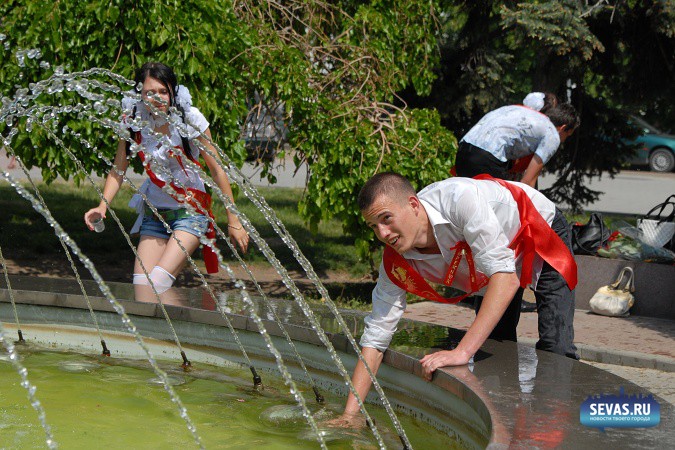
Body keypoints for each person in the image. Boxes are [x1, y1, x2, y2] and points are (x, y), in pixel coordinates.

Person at [332, 172, 577, 427]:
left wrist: (462, 351)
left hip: (538, 226)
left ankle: (560, 431)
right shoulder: (395, 261)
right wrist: (351, 414)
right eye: (374, 226)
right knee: (497, 346)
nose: (382, 233)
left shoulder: (460, 199)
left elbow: (505, 279)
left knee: (555, 346)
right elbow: (376, 338)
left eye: (386, 219)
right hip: (495, 262)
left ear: (414, 205)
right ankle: (507, 430)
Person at [84, 62, 249, 302]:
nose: (157, 98)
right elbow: (119, 168)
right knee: (142, 290)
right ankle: (170, 335)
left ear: (173, 90)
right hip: (155, 214)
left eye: (163, 91)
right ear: (140, 94)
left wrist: (233, 219)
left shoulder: (189, 119)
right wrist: (102, 206)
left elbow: (216, 170)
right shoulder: (133, 120)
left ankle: (185, 332)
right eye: (150, 92)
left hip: (191, 212)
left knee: (158, 283)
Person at [454, 101, 579, 188]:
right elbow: (528, 181)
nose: (563, 141)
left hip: (463, 150)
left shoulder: (526, 112)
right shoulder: (552, 133)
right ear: (563, 128)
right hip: (486, 158)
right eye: (567, 136)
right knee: (503, 211)